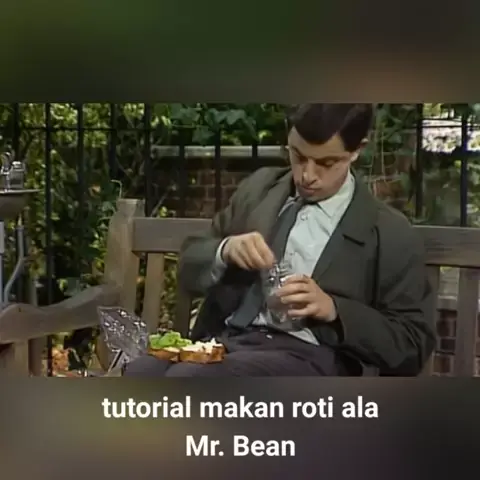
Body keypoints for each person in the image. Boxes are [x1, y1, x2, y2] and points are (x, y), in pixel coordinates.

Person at [124, 103, 436, 377]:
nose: (307, 175)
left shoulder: (387, 230)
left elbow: (413, 343)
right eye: (298, 156)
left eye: (326, 163)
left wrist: (334, 310)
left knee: (192, 380)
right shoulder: (260, 189)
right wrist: (225, 250)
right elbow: (190, 265)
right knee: (141, 372)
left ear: (357, 150)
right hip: (231, 342)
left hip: (310, 356)